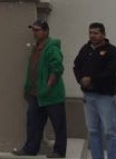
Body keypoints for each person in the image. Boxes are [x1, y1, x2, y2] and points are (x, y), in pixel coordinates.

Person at [13, 19, 67, 158]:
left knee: (58, 124)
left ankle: (59, 152)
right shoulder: (36, 48)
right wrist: (28, 88)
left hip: (51, 94)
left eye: (37, 30)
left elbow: (57, 69)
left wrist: (48, 86)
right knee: (33, 123)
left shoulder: (52, 48)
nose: (34, 33)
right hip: (35, 93)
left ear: (46, 31)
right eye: (33, 30)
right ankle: (30, 149)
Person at [72, 22, 116, 159]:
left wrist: (92, 79)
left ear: (103, 34)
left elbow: (111, 72)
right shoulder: (85, 49)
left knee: (109, 132)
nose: (92, 36)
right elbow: (76, 65)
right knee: (93, 131)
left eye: (96, 33)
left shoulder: (112, 51)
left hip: (105, 97)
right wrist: (80, 79)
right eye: (90, 33)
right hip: (89, 96)